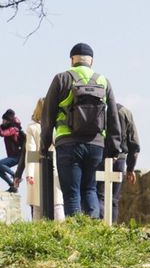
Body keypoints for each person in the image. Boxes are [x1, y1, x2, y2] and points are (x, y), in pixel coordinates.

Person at [40, 43, 121, 218]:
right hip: (95, 145)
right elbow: (113, 116)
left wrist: (44, 144)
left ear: (71, 60)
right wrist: (114, 148)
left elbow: (47, 115)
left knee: (71, 193)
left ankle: (77, 234)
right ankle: (93, 231)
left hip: (68, 143)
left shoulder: (62, 78)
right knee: (90, 189)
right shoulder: (103, 81)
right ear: (92, 61)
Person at [96, 104, 140, 223]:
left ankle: (99, 226)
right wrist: (130, 168)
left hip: (100, 156)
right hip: (120, 159)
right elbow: (134, 143)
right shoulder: (125, 112)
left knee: (99, 195)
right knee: (113, 199)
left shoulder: (98, 109)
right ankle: (111, 229)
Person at [1, 109, 23, 193]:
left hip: (17, 156)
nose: (2, 121)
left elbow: (3, 133)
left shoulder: (13, 129)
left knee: (0, 163)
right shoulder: (9, 128)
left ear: (8, 120)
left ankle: (16, 176)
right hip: (12, 156)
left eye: (4, 120)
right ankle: (12, 186)